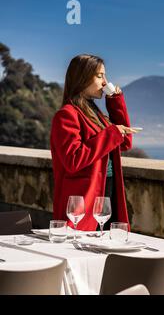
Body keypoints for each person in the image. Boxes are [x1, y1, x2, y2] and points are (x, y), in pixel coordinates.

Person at [50, 54, 138, 231]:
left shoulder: (96, 114)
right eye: (99, 76)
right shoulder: (67, 115)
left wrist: (115, 103)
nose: (105, 82)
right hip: (84, 202)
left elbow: (125, 143)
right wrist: (111, 133)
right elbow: (73, 160)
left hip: (108, 195)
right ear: (82, 77)